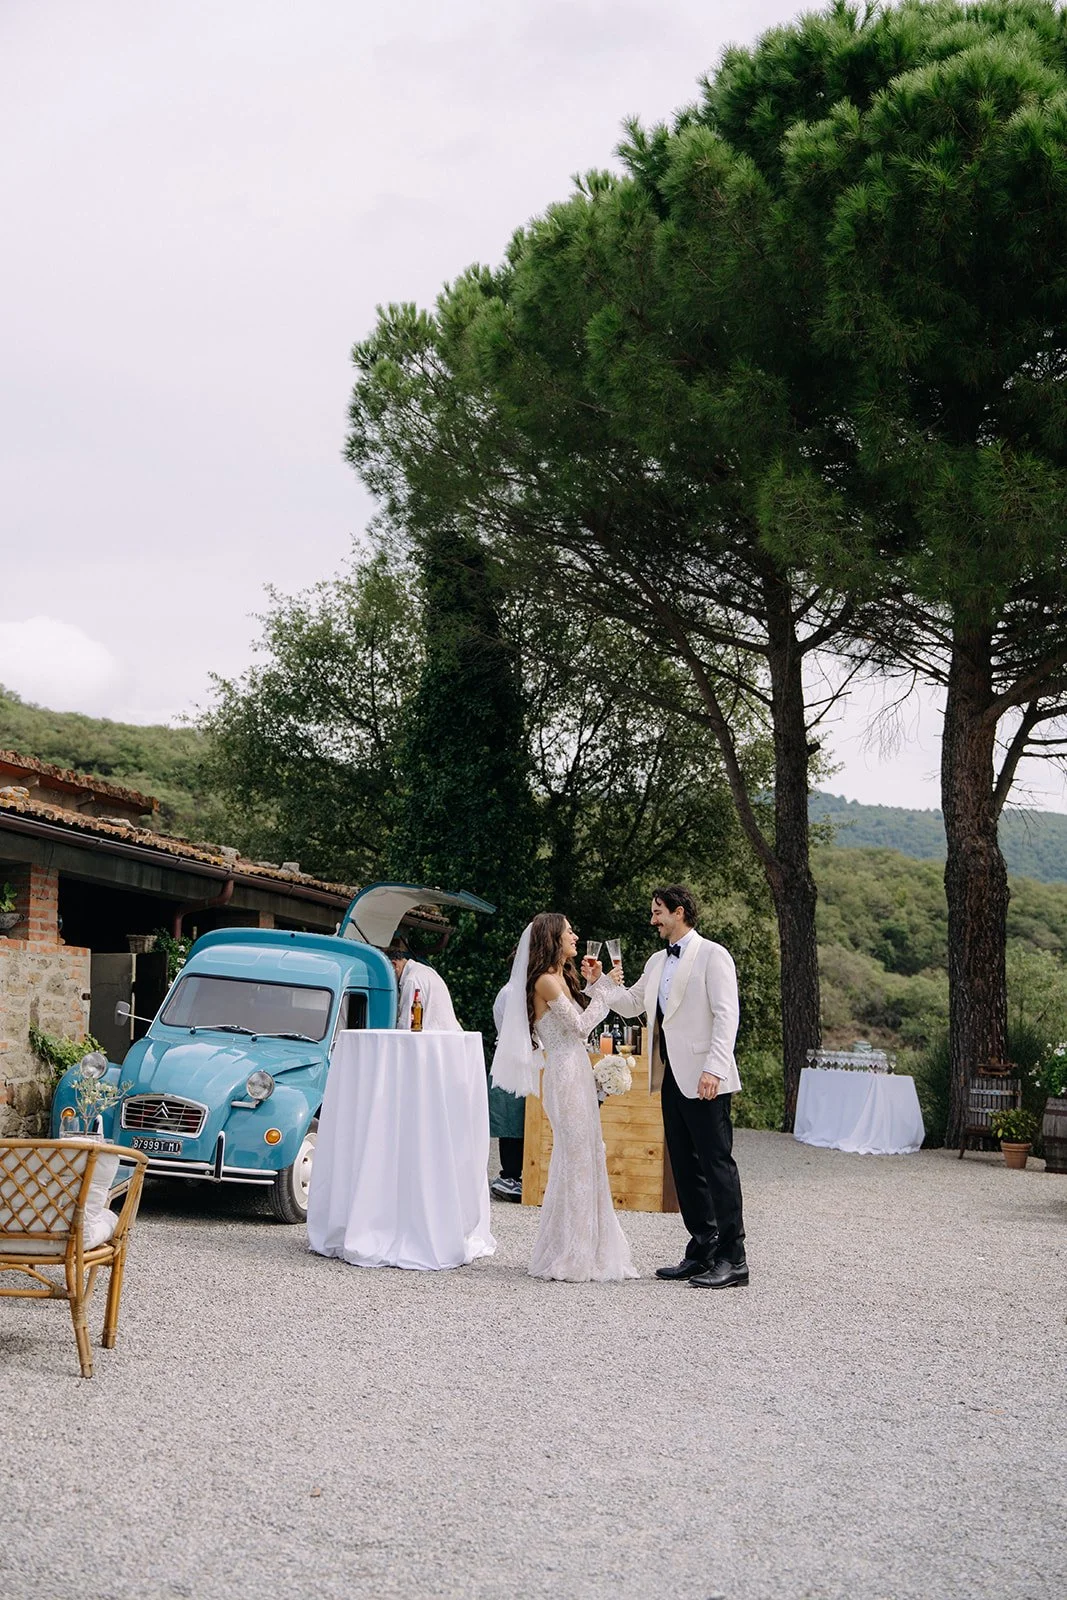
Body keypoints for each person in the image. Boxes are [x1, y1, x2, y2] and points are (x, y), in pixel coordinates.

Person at [608, 884, 747, 1289]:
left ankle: (734, 1258)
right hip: (670, 1077)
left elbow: (727, 1016)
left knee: (717, 1165)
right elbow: (633, 1004)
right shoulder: (656, 961)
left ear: (679, 912)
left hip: (707, 1078)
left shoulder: (713, 955)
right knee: (685, 1167)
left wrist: (714, 1069)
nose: (653, 920)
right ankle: (703, 1247)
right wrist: (600, 984)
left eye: (658, 912)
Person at [492, 912, 636, 1282]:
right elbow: (581, 1026)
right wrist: (603, 991)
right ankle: (572, 1251)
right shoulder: (544, 981)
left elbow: (575, 1017)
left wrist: (593, 985)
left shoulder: (559, 978)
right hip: (564, 1074)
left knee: (589, 1152)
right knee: (575, 1157)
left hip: (577, 1072)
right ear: (554, 938)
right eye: (569, 931)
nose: (575, 935)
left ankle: (586, 1245)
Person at [488, 981, 525, 1201]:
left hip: (515, 1056)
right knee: (511, 1119)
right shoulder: (512, 992)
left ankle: (514, 1175)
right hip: (512, 1058)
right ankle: (510, 1176)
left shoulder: (512, 990)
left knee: (516, 1118)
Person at [387, 941, 462, 1032]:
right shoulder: (426, 970)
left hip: (434, 1038)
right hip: (448, 1034)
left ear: (394, 965)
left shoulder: (411, 980)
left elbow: (406, 1025)